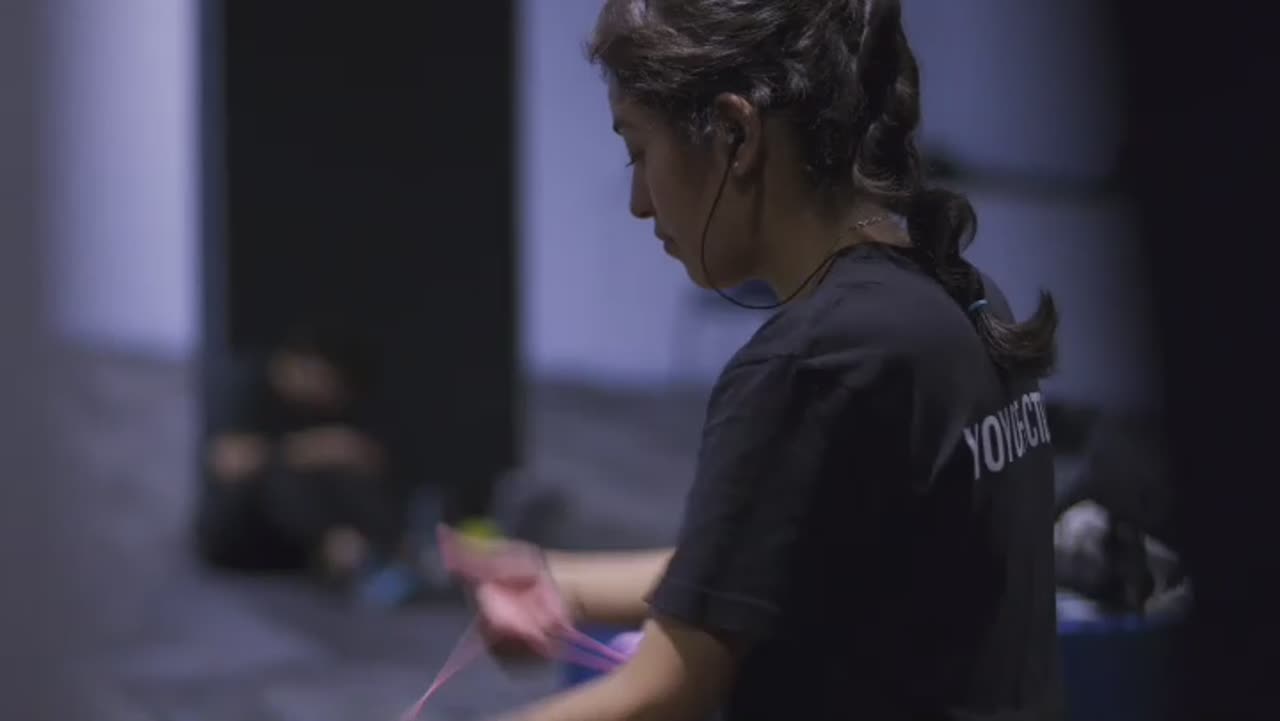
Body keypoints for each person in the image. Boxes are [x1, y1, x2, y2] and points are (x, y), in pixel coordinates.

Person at [446, 1, 1064, 719]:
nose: (639, 202)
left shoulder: (814, 366)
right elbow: (774, 557)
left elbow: (662, 693)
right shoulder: (960, 297)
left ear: (736, 134)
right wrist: (561, 581)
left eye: (638, 151)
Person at [194, 323, 409, 585]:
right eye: (329, 383)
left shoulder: (324, 408)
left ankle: (385, 551)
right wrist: (318, 447)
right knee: (284, 476)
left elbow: (370, 455)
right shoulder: (246, 386)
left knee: (347, 477)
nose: (332, 397)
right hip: (240, 535)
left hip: (296, 548)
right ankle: (335, 543)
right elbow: (229, 463)